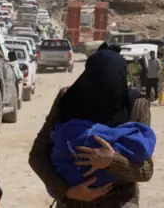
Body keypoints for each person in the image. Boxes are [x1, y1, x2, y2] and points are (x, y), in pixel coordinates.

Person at [29, 43, 154, 208]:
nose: (101, 99)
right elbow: (37, 154)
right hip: (72, 201)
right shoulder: (68, 99)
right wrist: (66, 191)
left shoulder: (136, 104)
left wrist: (112, 161)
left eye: (109, 91)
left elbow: (146, 170)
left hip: (119, 200)